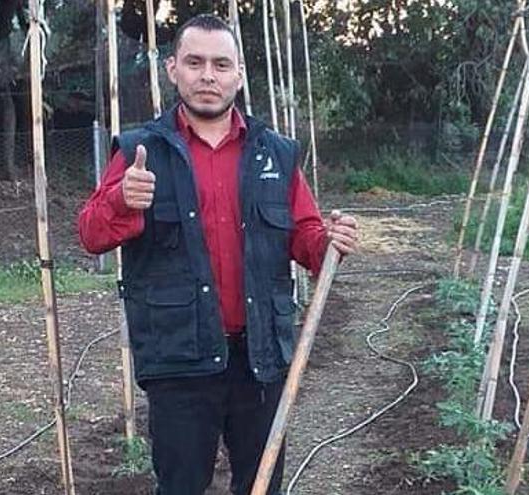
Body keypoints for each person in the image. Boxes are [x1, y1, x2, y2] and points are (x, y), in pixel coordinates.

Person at [77, 14, 358, 495]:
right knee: (182, 485)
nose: (208, 75)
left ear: (239, 75)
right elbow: (90, 233)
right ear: (173, 70)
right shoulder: (141, 151)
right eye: (195, 62)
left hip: (261, 357)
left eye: (220, 64)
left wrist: (329, 241)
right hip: (178, 360)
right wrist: (123, 199)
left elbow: (304, 233)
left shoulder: (275, 154)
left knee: (261, 485)